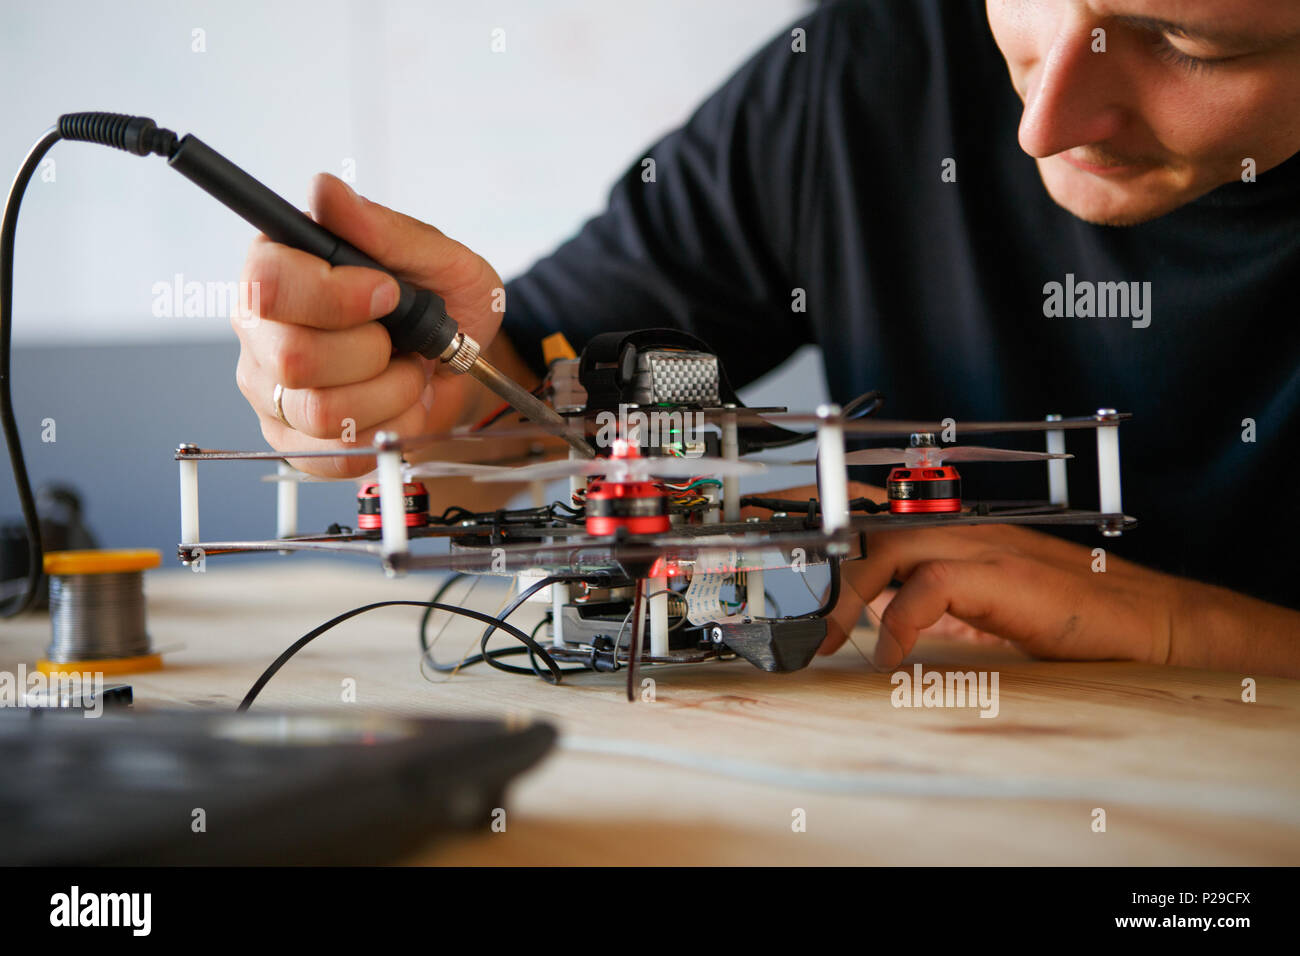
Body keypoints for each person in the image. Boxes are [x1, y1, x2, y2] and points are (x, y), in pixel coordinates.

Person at [231, 0, 1300, 677]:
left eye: (1184, 42)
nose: (1043, 121)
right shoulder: (858, 73)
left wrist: (1178, 630)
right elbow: (524, 398)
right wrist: (423, 404)